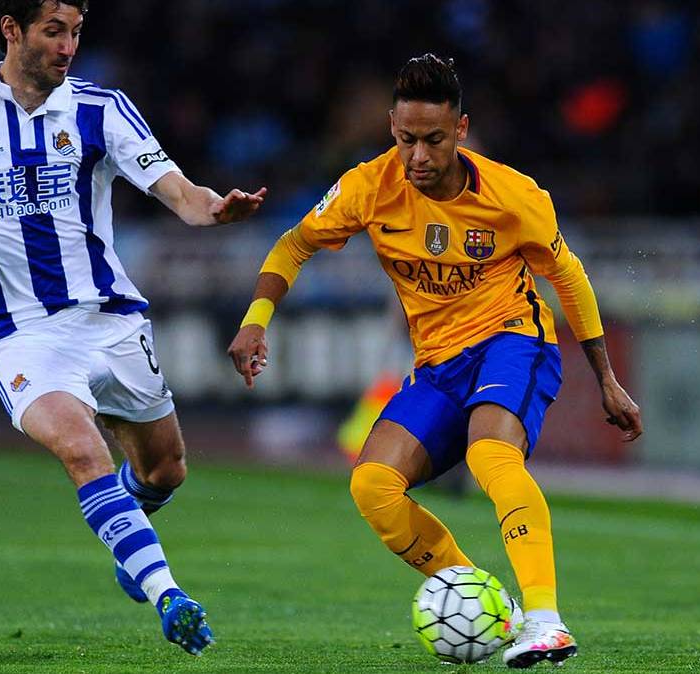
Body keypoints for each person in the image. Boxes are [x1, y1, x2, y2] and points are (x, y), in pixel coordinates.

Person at [0, 0, 266, 656]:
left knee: (165, 470)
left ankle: (128, 538)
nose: (68, 46)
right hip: (20, 334)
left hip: (110, 319)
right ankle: (168, 594)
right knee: (83, 449)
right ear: (12, 29)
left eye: (76, 33)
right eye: (53, 31)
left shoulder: (102, 109)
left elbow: (182, 195)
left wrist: (217, 209)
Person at [227, 54, 642, 669]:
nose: (418, 156)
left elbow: (569, 278)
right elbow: (294, 245)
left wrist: (607, 379)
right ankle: (491, 605)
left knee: (490, 455)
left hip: (513, 340)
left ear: (461, 129)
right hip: (438, 364)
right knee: (372, 486)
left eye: (433, 140)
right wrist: (255, 319)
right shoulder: (368, 187)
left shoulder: (514, 195)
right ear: (392, 129)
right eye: (406, 139)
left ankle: (546, 621)